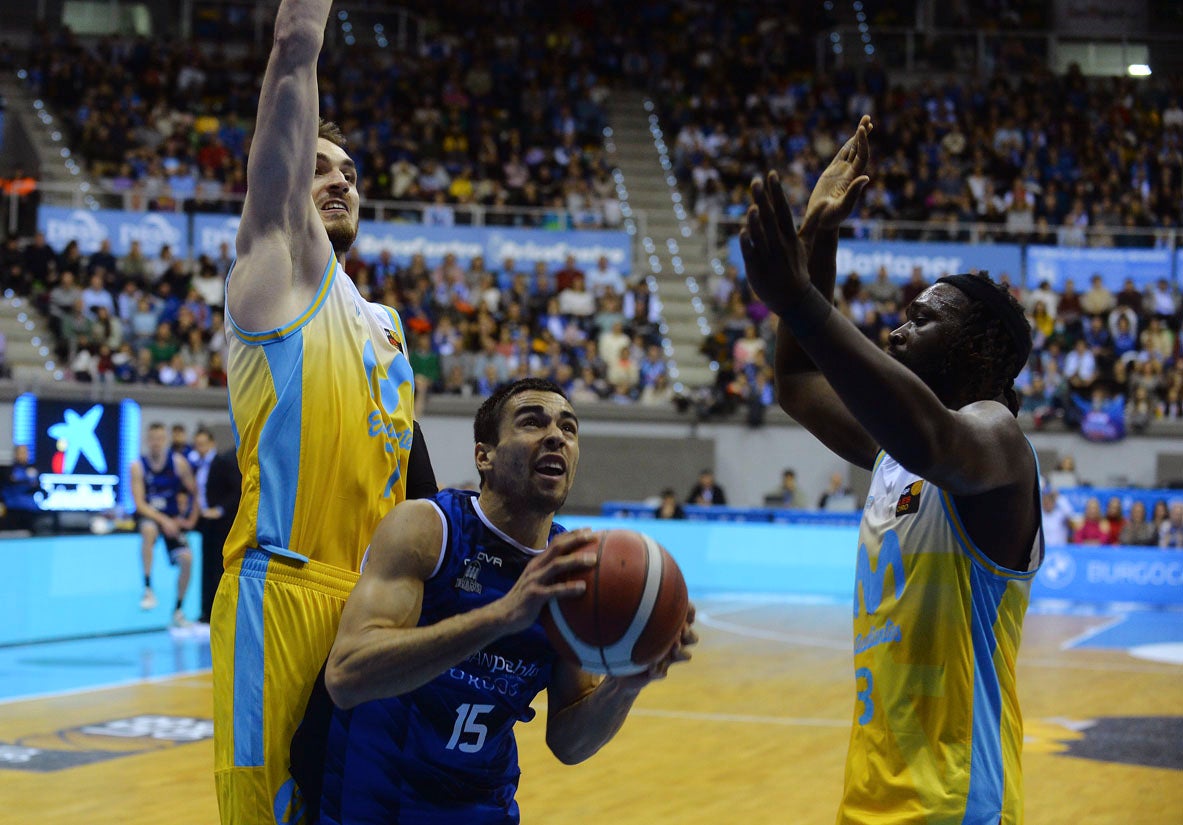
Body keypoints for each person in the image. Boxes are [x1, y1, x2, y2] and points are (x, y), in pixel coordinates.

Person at [740, 114, 1042, 824]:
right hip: (870, 797)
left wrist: (800, 299)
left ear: (979, 353)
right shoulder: (891, 454)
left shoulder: (997, 443)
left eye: (922, 318)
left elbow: (935, 439)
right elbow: (794, 378)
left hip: (955, 803)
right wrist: (818, 236)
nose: (897, 329)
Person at [211, 1, 438, 820]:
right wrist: (301, 30)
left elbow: (415, 481)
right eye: (321, 165)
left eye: (352, 172)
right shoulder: (273, 265)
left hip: (373, 611)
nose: (341, 178)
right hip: (283, 590)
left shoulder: (387, 327)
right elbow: (295, 48)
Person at [318, 378, 695, 823]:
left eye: (569, 429)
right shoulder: (428, 530)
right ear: (485, 456)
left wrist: (627, 684)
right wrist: (502, 616)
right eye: (532, 422)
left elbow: (570, 744)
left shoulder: (576, 572)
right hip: (377, 806)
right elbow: (345, 677)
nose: (556, 436)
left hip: (484, 808)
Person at [130, 422, 199, 627]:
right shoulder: (137, 466)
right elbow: (140, 504)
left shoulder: (178, 463)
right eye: (152, 439)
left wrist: (190, 520)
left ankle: (178, 610)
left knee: (187, 559)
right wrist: (164, 520)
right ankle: (148, 588)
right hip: (151, 516)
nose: (156, 443)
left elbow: (195, 492)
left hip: (172, 519)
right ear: (146, 441)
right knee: (149, 530)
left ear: (166, 440)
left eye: (160, 439)